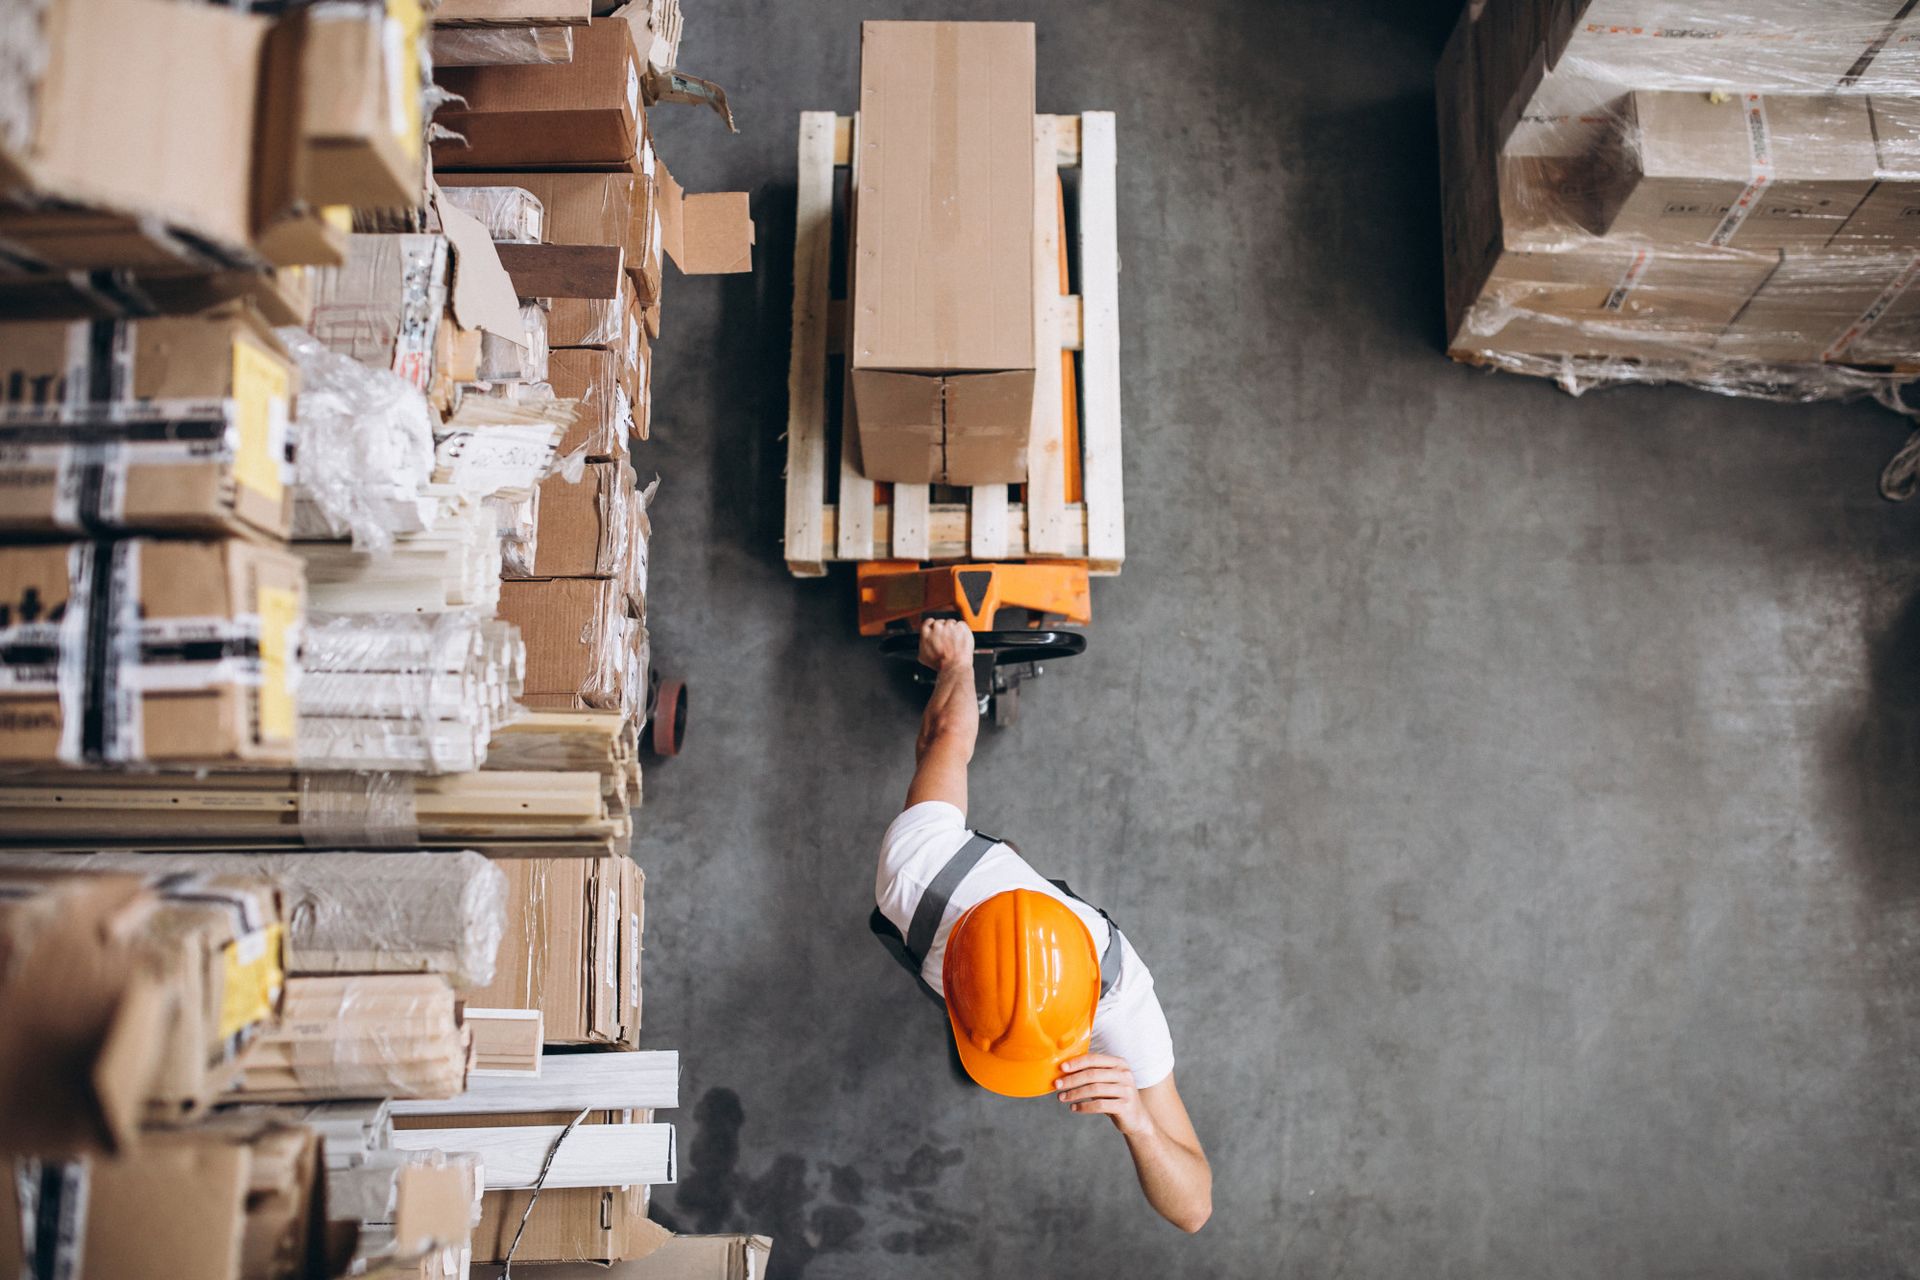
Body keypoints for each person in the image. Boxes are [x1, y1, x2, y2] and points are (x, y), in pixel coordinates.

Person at [870, 619, 1212, 1233]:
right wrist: (958, 662)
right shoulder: (916, 873)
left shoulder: (1122, 1004)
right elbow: (946, 734)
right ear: (947, 974)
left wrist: (1137, 1119)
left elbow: (1193, 1208)